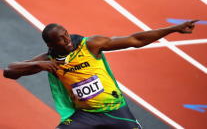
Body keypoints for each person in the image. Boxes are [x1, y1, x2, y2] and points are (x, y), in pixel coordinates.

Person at [3, 20, 198, 129]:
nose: (67, 40)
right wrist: (39, 64)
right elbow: (10, 72)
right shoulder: (50, 60)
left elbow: (135, 40)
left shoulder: (90, 45)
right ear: (51, 45)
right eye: (61, 40)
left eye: (67, 34)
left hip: (117, 112)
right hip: (86, 116)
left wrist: (173, 29)